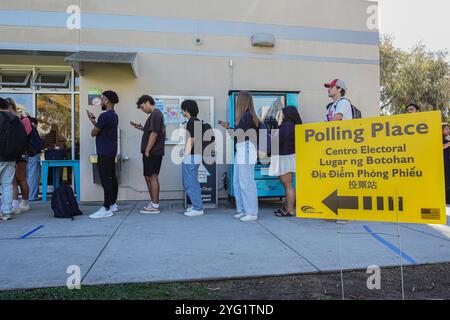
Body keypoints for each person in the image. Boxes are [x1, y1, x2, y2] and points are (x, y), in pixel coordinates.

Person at [220, 91, 259, 222]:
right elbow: (236, 134)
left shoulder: (247, 116)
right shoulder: (245, 117)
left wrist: (230, 129)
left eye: (238, 100)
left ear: (243, 101)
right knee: (237, 181)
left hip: (246, 149)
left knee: (246, 182)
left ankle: (251, 212)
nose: (236, 102)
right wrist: (229, 127)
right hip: (242, 149)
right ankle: (242, 210)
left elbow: (237, 134)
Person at [324, 80, 353, 224]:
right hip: (334, 145)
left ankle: (345, 213)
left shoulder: (343, 102)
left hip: (343, 145)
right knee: (335, 179)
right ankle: (335, 211)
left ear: (339, 89)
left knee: (343, 179)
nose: (329, 89)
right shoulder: (332, 106)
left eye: (331, 87)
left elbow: (335, 120)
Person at [87, 90, 120, 219]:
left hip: (103, 152)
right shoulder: (114, 115)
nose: (100, 101)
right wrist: (93, 121)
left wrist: (94, 125)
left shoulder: (104, 116)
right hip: (111, 151)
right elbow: (102, 129)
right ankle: (112, 204)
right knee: (112, 177)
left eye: (101, 99)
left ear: (107, 100)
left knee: (105, 179)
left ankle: (106, 208)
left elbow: (94, 133)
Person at [269, 106, 302, 217]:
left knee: (287, 184)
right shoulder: (293, 126)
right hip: (288, 156)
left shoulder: (287, 126)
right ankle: (288, 207)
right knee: (287, 184)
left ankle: (290, 210)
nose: (281, 115)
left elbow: (278, 141)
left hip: (284, 157)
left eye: (282, 113)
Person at [135, 95, 166, 214]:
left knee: (152, 176)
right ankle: (153, 202)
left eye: (142, 107)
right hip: (152, 151)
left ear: (148, 102)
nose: (143, 110)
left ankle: (155, 205)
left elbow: (154, 134)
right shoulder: (154, 115)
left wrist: (147, 150)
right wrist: (142, 128)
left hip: (153, 152)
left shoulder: (156, 114)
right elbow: (151, 132)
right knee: (148, 176)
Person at [7, 98, 32, 214]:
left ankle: (22, 203)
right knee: (15, 180)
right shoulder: (17, 119)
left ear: (11, 106)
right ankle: (18, 204)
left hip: (19, 152)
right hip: (17, 152)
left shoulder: (20, 119)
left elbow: (25, 135)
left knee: (19, 179)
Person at [181, 100, 204, 217]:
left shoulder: (192, 121)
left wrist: (185, 155)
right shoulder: (196, 121)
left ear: (186, 109)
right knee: (192, 182)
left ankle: (198, 208)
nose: (182, 112)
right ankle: (196, 205)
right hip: (196, 155)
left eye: (183, 109)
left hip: (191, 156)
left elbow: (192, 139)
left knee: (190, 183)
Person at [0, 98, 20, 221]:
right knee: (7, 184)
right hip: (11, 156)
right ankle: (6, 211)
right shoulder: (15, 119)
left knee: (6, 184)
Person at [27, 117, 41, 201]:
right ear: (35, 124)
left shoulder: (23, 128)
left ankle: (28, 195)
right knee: (33, 175)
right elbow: (37, 143)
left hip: (25, 154)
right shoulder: (33, 129)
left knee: (27, 175)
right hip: (33, 154)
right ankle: (32, 196)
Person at [443, 123, 450, 204]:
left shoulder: (448, 138)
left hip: (448, 162)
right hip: (443, 163)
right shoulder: (439, 138)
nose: (448, 130)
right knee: (446, 181)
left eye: (448, 129)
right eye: (446, 129)